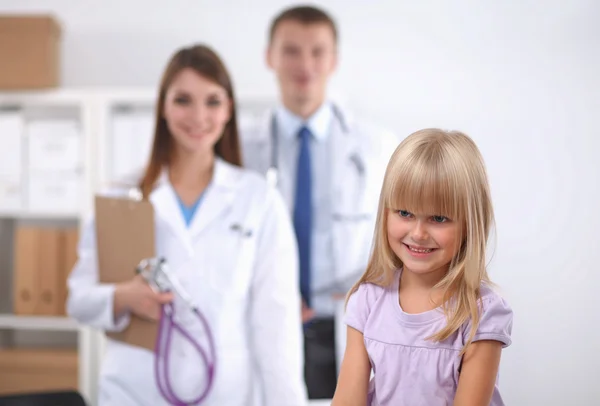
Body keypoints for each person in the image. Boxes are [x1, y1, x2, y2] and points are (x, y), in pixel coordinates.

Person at [66, 44, 308, 406]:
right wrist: (121, 297)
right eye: (183, 100)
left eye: (212, 101)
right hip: (134, 392)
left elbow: (277, 327)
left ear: (228, 110)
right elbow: (78, 300)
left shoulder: (258, 200)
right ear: (163, 106)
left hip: (225, 393)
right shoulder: (120, 195)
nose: (198, 116)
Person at [240, 5, 399, 399]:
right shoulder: (240, 148)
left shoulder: (377, 148)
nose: (305, 64)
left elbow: (400, 245)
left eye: (317, 51)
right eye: (291, 50)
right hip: (265, 322)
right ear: (270, 56)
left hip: (344, 326)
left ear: (334, 59)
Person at [331, 129, 514, 405]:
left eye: (438, 218)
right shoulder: (367, 302)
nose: (418, 233)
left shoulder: (481, 315)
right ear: (386, 213)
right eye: (404, 213)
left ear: (470, 225)